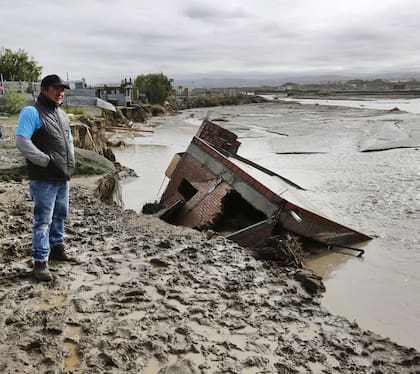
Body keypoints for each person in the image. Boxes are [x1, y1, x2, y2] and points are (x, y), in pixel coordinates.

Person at [16, 74, 75, 281]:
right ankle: (40, 262)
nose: (60, 93)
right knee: (43, 221)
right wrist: (46, 161)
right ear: (43, 89)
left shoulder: (62, 115)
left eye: (63, 89)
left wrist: (71, 162)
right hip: (43, 177)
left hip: (62, 176)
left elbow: (69, 141)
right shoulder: (32, 112)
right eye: (55, 88)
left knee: (60, 214)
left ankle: (57, 250)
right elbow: (22, 141)